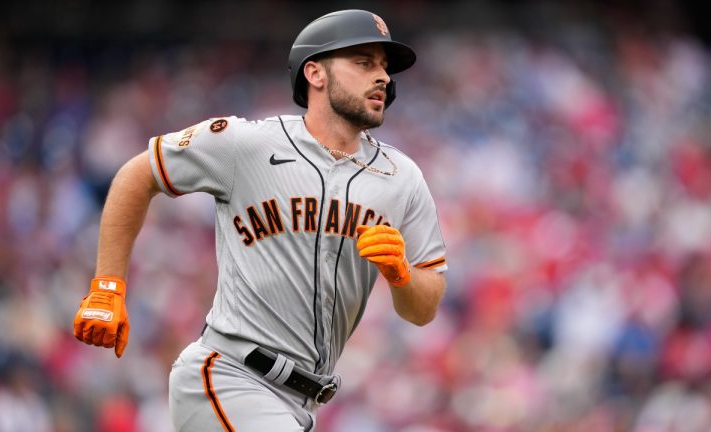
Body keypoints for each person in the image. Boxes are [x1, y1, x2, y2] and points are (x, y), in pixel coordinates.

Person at [73, 9, 447, 431]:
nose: (381, 76)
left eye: (384, 66)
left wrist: (401, 277)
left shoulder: (402, 178)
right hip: (230, 377)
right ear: (315, 73)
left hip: (302, 404)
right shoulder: (246, 143)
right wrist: (108, 286)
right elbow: (138, 175)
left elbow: (425, 307)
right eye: (364, 62)